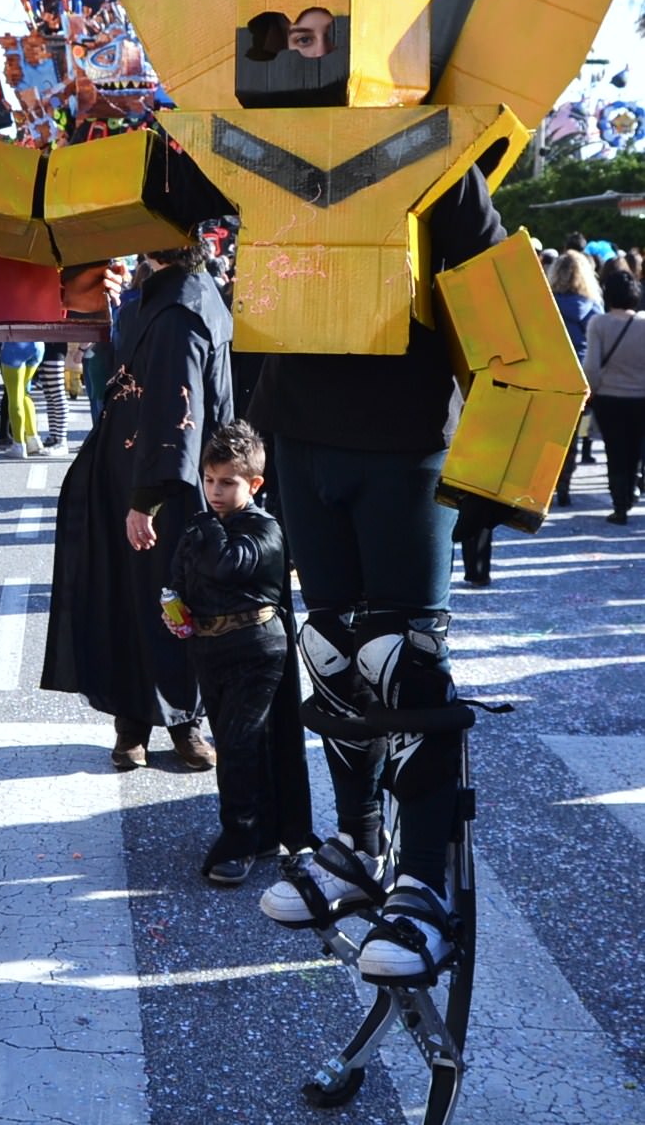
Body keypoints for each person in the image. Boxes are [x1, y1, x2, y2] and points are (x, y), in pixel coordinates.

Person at [253, 161, 506, 983]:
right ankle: (355, 843)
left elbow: (495, 274)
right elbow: (175, 190)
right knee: (328, 645)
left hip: (405, 427)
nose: (311, 33)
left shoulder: (439, 142)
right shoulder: (266, 127)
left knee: (401, 656)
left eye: (330, 21)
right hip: (298, 424)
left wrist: (517, 435)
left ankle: (424, 883)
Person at [42, 241, 232, 771]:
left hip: (164, 483)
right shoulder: (159, 294)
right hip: (132, 471)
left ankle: (182, 723)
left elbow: (179, 407)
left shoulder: (181, 304)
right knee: (132, 598)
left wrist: (145, 501)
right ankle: (132, 723)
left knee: (170, 601)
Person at [169, 421, 291, 885]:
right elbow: (180, 575)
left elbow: (226, 566)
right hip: (209, 646)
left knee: (238, 745)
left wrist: (204, 525)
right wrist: (174, 609)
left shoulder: (264, 527)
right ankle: (258, 833)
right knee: (238, 743)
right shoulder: (205, 526)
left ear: (254, 485)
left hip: (256, 650)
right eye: (208, 479)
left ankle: (238, 840)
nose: (214, 491)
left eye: (227, 482)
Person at [582, 270, 645, 525]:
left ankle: (620, 504)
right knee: (636, 450)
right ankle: (632, 490)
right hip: (641, 397)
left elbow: (592, 366)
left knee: (615, 450)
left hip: (610, 397)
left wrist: (592, 391)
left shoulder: (599, 323)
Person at [548, 249, 604, 506]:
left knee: (549, 434)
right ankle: (565, 485)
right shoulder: (593, 307)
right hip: (580, 376)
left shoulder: (547, 303)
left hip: (550, 375)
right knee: (573, 433)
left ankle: (546, 482)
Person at [0, 339, 45, 459]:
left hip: (15, 344)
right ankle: (33, 438)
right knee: (24, 393)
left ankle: (19, 444)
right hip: (38, 344)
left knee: (15, 396)